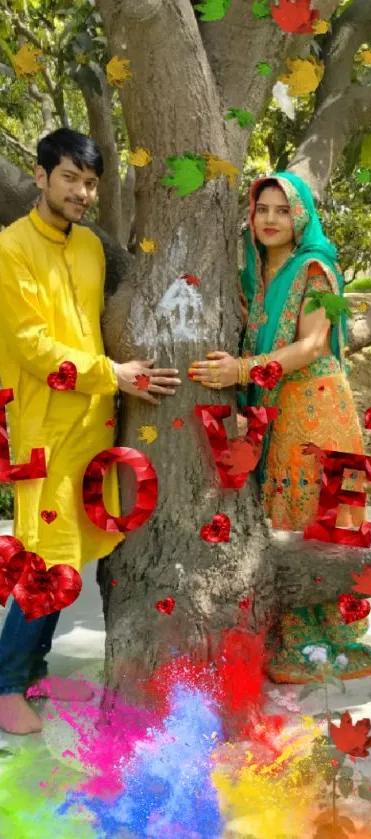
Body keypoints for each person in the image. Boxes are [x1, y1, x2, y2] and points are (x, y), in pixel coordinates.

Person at [0, 128, 181, 734]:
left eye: (90, 181)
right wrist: (114, 374)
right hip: (45, 429)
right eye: (71, 177)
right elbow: (31, 346)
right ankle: (5, 684)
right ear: (41, 174)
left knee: (71, 555)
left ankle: (32, 672)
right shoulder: (11, 248)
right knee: (45, 557)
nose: (81, 191)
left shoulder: (91, 249)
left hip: (93, 426)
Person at [188, 172, 371, 684]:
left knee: (317, 516)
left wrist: (239, 369)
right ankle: (291, 635)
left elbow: (314, 345)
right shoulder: (252, 275)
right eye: (262, 209)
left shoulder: (314, 270)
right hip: (276, 412)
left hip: (316, 408)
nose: (270, 219)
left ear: (299, 217)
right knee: (284, 517)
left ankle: (331, 640)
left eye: (281, 209)